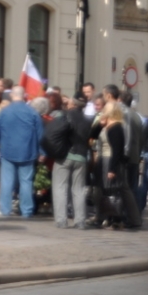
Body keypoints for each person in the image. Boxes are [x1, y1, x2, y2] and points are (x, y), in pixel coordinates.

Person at [0, 86, 44, 218]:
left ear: (11, 95)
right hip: (27, 151)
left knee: (6, 181)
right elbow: (40, 134)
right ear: (25, 96)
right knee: (26, 182)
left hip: (7, 150)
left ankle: (5, 209)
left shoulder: (4, 112)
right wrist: (42, 151)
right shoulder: (32, 112)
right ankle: (26, 210)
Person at [95, 101, 140, 228]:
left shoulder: (116, 127)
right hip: (109, 161)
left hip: (112, 161)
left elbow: (117, 150)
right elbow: (93, 135)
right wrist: (100, 125)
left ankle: (116, 218)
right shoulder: (109, 126)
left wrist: (112, 169)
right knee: (117, 190)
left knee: (114, 191)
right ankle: (114, 218)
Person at [51, 96, 92, 229]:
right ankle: (80, 221)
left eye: (68, 102)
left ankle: (61, 221)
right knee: (79, 190)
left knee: (60, 187)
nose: (67, 104)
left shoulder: (65, 116)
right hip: (81, 157)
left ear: (72, 104)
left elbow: (54, 133)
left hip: (65, 156)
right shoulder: (88, 120)